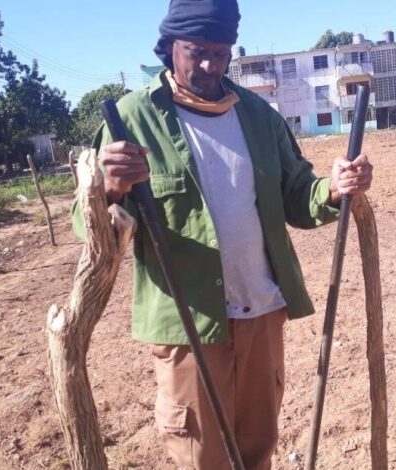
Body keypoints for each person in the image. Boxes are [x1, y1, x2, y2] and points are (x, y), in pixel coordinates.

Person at [74, 0, 373, 468]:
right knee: (202, 454)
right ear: (171, 46)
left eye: (222, 51)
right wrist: (108, 190)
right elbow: (86, 228)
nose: (212, 64)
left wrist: (334, 189)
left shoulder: (257, 114)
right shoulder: (131, 119)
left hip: (262, 310)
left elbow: (298, 195)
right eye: (198, 52)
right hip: (188, 320)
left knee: (257, 446)